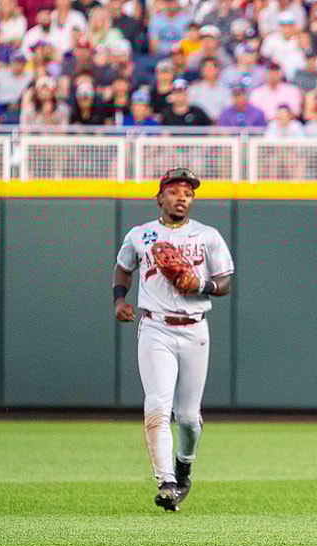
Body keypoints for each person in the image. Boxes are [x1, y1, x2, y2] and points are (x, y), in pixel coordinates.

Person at [113, 167, 234, 512]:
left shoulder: (207, 235)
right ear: (160, 197)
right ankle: (166, 480)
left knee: (188, 417)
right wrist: (120, 300)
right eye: (176, 191)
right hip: (155, 328)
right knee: (156, 405)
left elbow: (225, 282)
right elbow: (123, 268)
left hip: (195, 328)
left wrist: (201, 285)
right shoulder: (140, 235)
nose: (182, 197)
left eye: (189, 193)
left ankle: (184, 462)